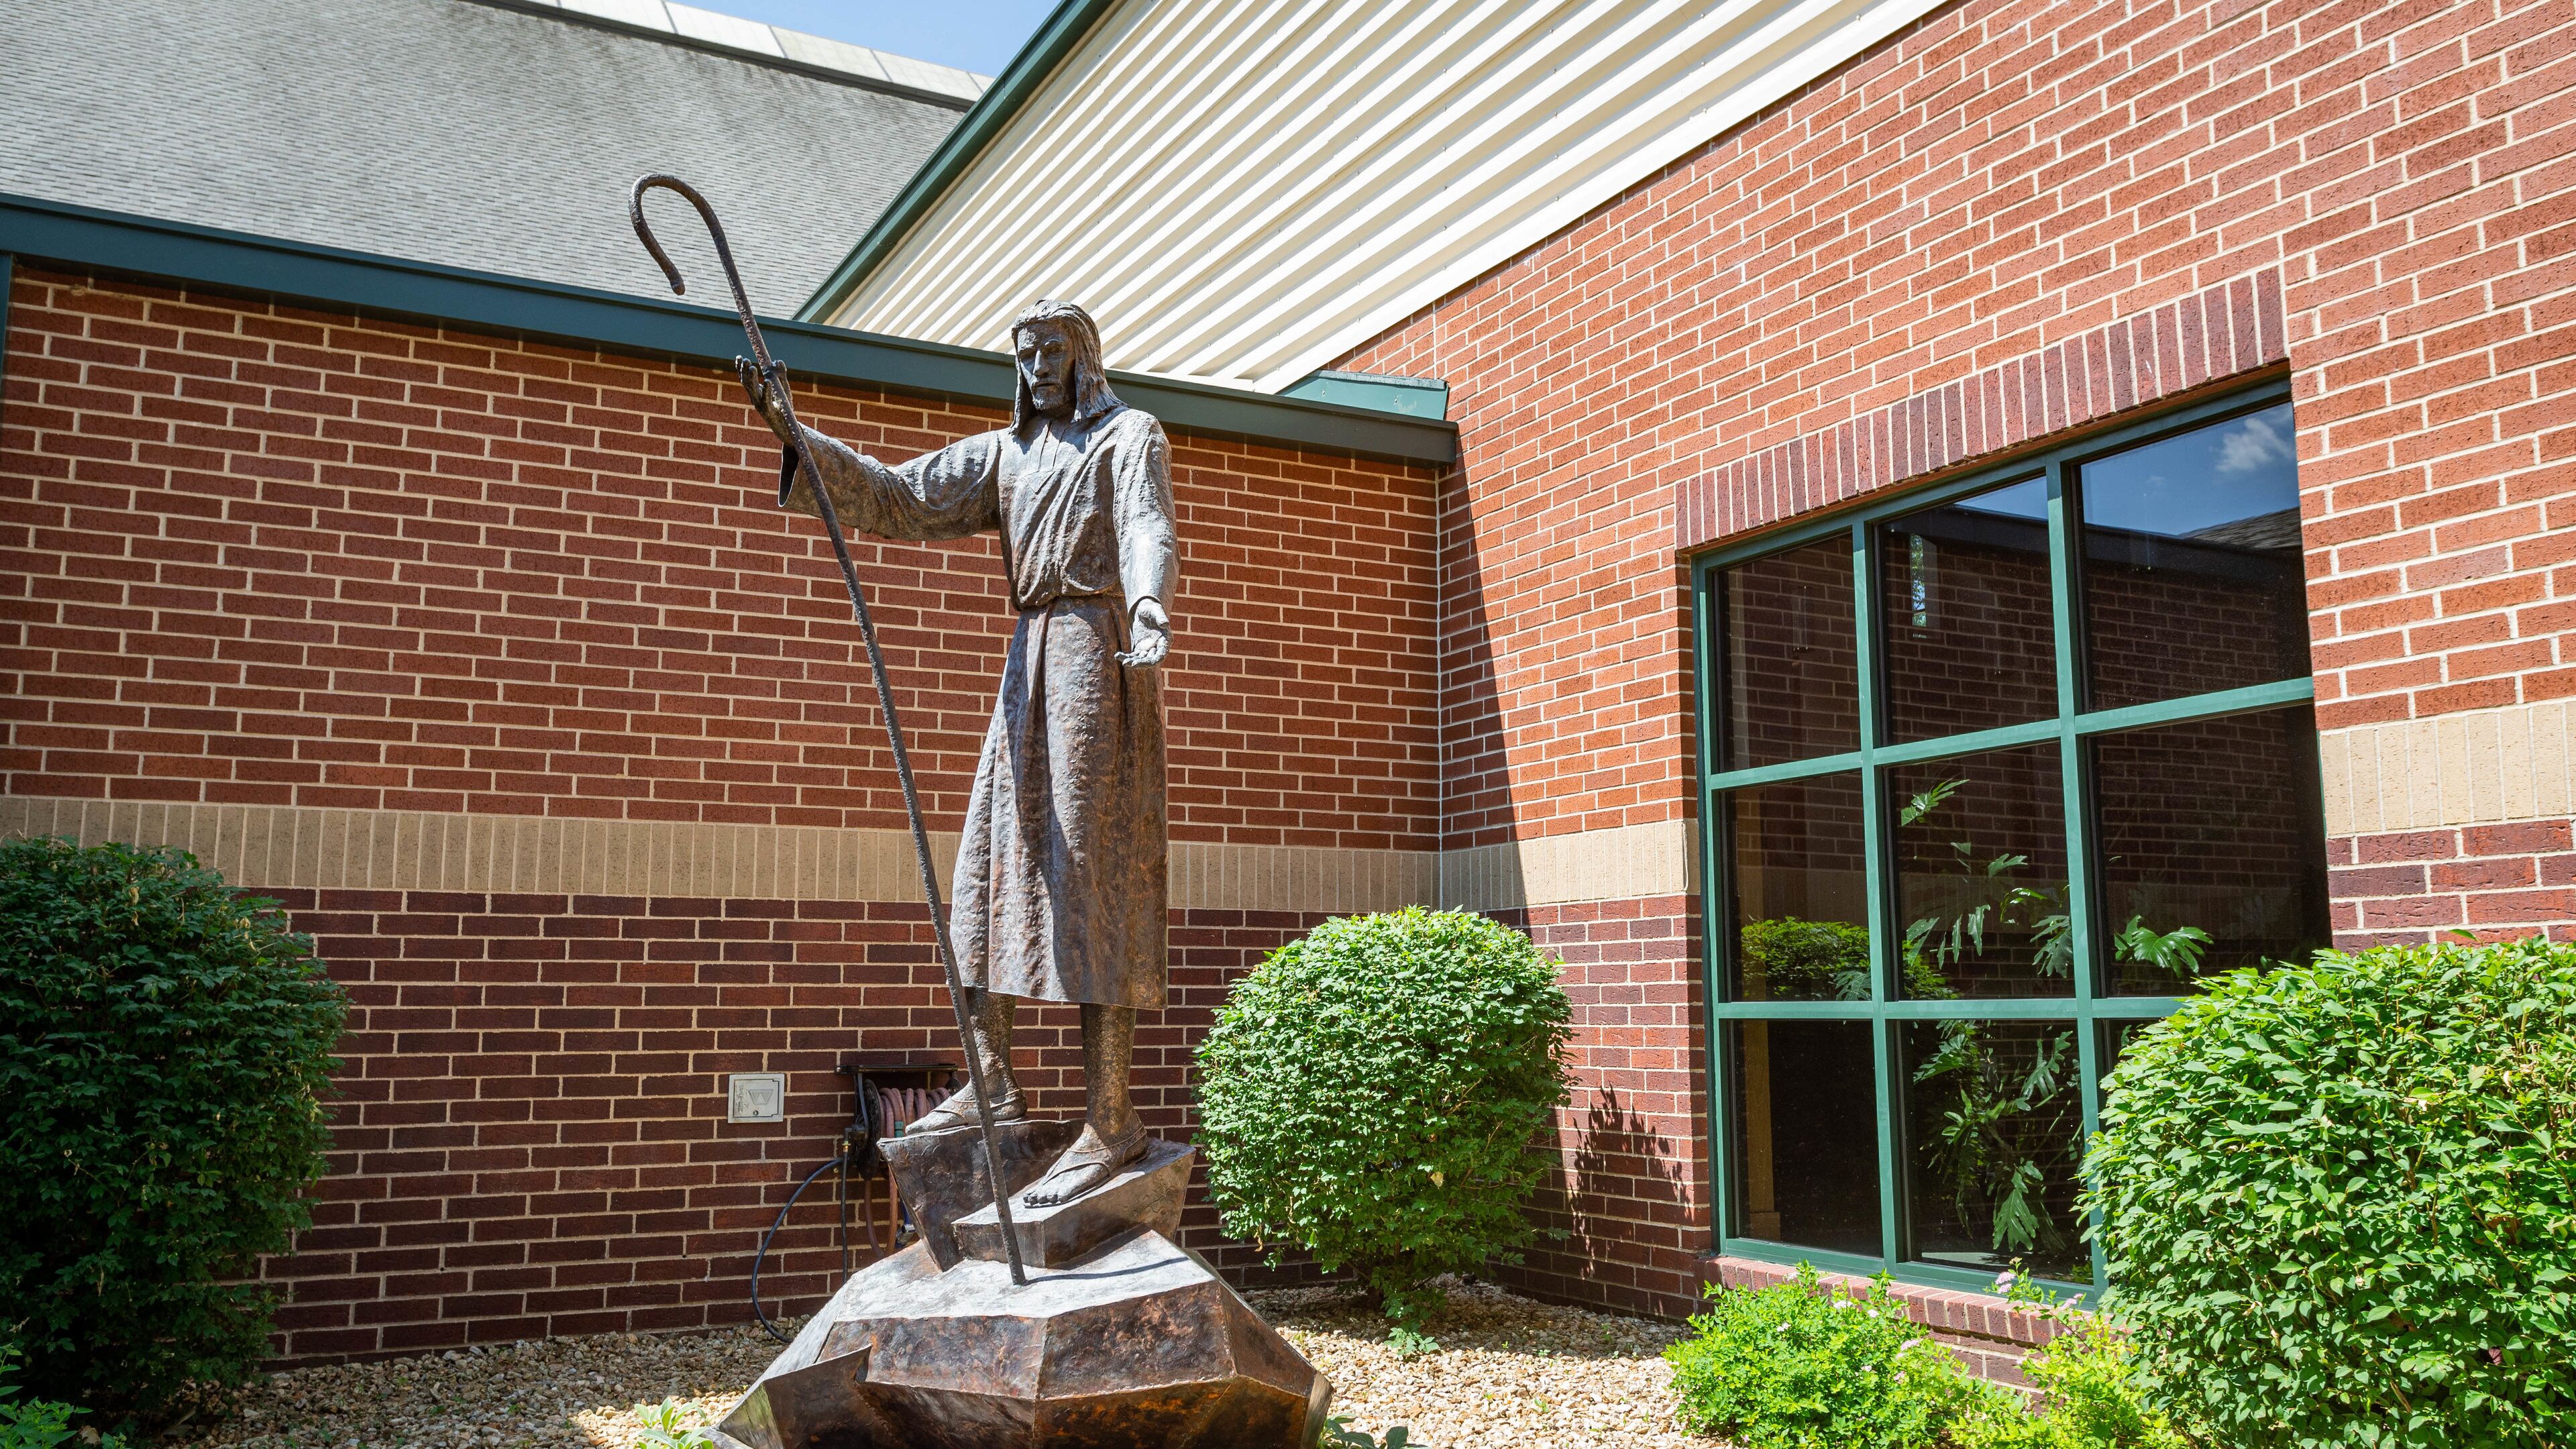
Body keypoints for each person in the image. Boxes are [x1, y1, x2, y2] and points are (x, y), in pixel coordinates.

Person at [737, 300, 1173, 1208]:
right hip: (1028, 664)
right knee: (987, 868)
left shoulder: (1129, 434)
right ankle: (992, 1080)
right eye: (1024, 354)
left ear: (1083, 354)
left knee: (1094, 873)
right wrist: (795, 431)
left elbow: (1144, 525)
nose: (1039, 366)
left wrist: (1147, 603)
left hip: (1098, 651)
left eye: (1053, 350)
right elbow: (899, 497)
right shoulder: (1003, 455)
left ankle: (1111, 1115)